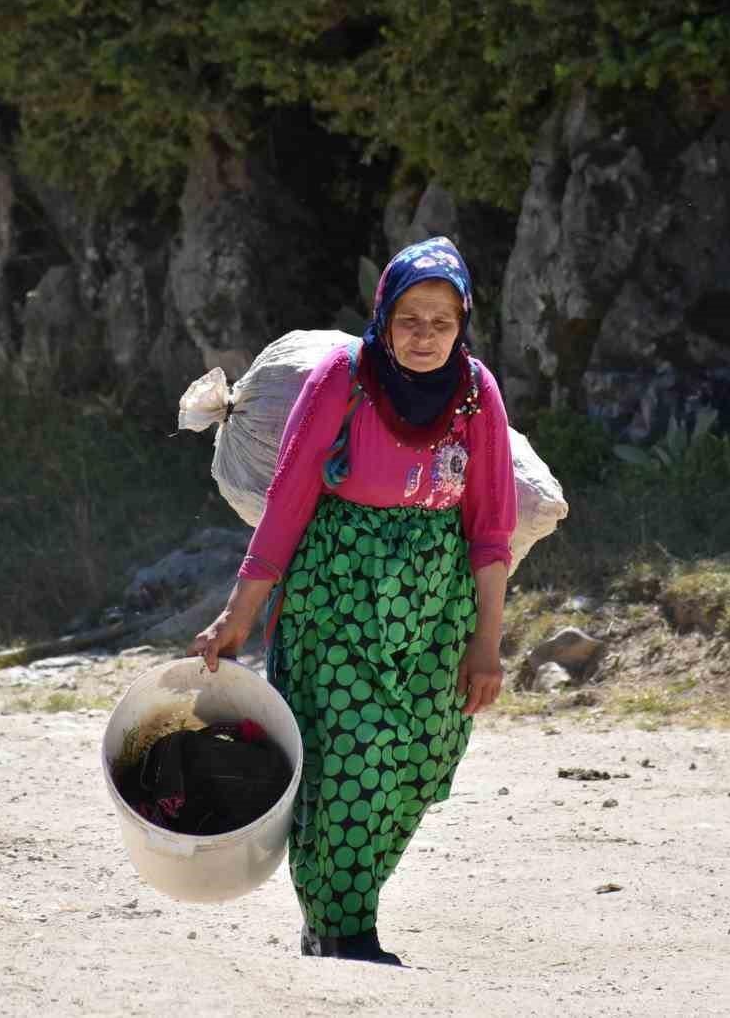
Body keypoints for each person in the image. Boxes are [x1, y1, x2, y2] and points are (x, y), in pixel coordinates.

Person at [190, 236, 517, 966]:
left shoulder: (475, 393)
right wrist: (240, 612)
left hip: (437, 607)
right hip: (337, 594)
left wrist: (486, 642)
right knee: (352, 754)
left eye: (441, 322)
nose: (425, 336)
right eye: (410, 320)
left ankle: (339, 904)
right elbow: (288, 503)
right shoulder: (344, 378)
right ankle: (342, 927)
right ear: (384, 317)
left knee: (422, 758)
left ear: (463, 323)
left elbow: (492, 529)